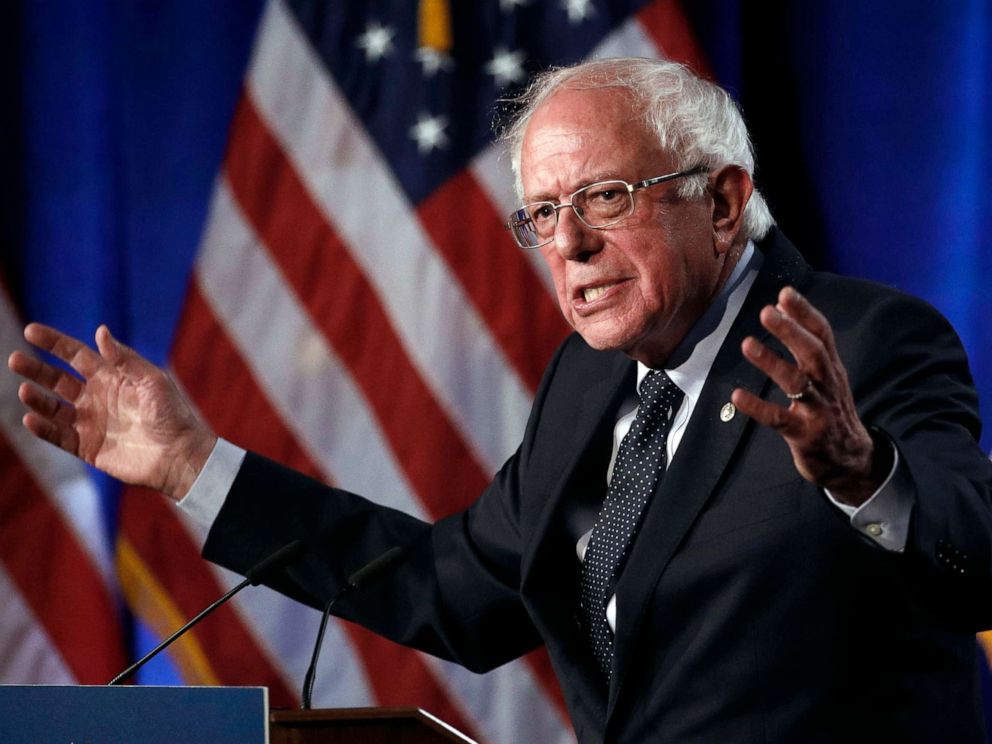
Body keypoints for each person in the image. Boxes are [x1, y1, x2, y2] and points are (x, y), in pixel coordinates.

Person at [10, 57, 992, 743]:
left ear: (723, 201)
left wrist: (868, 481)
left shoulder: (863, 343)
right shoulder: (590, 382)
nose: (565, 246)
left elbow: (972, 567)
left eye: (604, 197)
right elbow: (453, 592)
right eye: (541, 213)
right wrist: (193, 465)